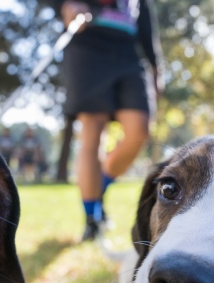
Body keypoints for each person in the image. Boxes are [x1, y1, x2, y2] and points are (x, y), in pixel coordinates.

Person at [44, 0, 163, 241]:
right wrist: (65, 6)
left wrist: (156, 67)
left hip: (127, 54)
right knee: (92, 132)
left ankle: (98, 189)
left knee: (139, 130)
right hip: (88, 46)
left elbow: (147, 27)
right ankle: (91, 218)